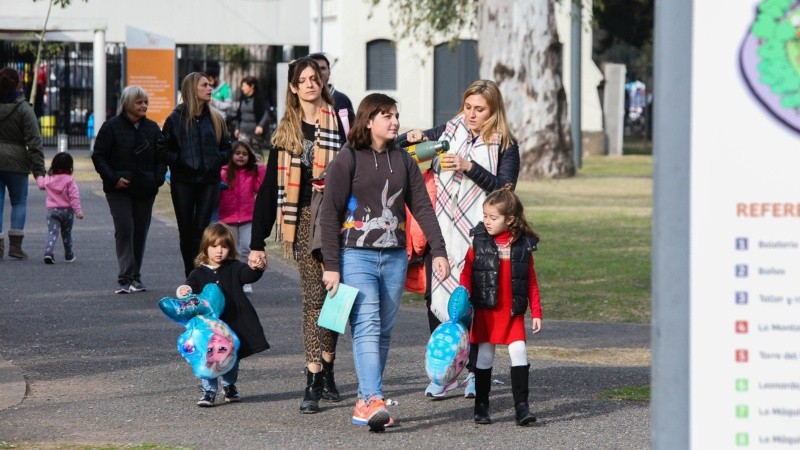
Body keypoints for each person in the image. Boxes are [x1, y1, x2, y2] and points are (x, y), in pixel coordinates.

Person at [319, 93, 450, 431]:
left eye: (395, 115)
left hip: (394, 257)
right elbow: (330, 215)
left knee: (385, 330)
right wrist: (331, 265)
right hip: (355, 254)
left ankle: (365, 400)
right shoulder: (346, 159)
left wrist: (439, 250)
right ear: (368, 121)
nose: (395, 122)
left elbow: (422, 207)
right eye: (387, 116)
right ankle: (373, 397)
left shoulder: (404, 161)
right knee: (367, 324)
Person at [404, 79, 520, 398]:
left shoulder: (505, 144)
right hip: (441, 230)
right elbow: (405, 147)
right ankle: (444, 371)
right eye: (467, 107)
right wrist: (411, 136)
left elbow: (505, 191)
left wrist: (469, 167)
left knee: (475, 303)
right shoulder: (448, 131)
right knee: (436, 297)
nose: (471, 114)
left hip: (481, 235)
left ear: (493, 111)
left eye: (479, 109)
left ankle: (472, 373)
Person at [248, 57, 346, 414]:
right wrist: (256, 242)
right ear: (292, 87)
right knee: (313, 297)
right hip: (302, 218)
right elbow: (267, 190)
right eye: (302, 80)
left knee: (336, 297)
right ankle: (312, 378)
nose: (309, 84)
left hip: (335, 218)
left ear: (322, 82)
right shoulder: (286, 132)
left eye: (314, 78)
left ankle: (330, 363)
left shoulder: (340, 122)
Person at [459, 185, 541, 426]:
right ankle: (481, 406)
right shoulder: (478, 242)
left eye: (493, 217)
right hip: (487, 312)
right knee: (484, 358)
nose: (487, 221)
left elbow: (531, 281)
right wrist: (463, 294)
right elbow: (466, 273)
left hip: (513, 313)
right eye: (485, 216)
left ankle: (522, 407)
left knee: (519, 353)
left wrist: (536, 311)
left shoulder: (523, 246)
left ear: (511, 219)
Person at [177, 222, 268, 407]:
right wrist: (184, 290)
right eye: (214, 246)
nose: (219, 251)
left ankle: (229, 385)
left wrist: (257, 267)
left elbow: (248, 275)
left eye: (224, 246)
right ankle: (209, 390)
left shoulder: (234, 267)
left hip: (231, 324)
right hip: (208, 329)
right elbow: (190, 289)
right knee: (207, 357)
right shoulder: (198, 273)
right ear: (205, 248)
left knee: (230, 359)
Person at [92, 85, 167, 294]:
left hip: (146, 188)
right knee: (125, 228)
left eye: (145, 102)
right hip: (118, 190)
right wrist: (114, 179)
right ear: (127, 104)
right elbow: (99, 156)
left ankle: (135, 276)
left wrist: (157, 179)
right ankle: (125, 278)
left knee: (140, 231)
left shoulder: (152, 128)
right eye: (139, 102)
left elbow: (162, 157)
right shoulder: (111, 127)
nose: (144, 106)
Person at [158, 72, 232, 277]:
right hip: (183, 181)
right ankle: (190, 274)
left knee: (202, 228)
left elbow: (227, 148)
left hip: (210, 180)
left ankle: (201, 273)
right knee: (186, 229)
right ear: (193, 89)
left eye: (209, 84)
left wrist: (215, 159)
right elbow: (163, 149)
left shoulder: (216, 118)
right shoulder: (176, 118)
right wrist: (182, 161)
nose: (210, 88)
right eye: (205, 85)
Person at [0, 67, 46, 259]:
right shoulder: (24, 109)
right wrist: (39, 171)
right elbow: (34, 142)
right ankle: (15, 247)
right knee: (19, 201)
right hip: (17, 163)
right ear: (18, 84)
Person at [219, 141, 265, 294]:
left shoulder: (252, 172)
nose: (241, 156)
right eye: (237, 153)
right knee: (232, 250)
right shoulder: (223, 172)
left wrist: (261, 168)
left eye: (244, 154)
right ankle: (231, 280)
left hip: (247, 217)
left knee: (246, 248)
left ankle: (245, 279)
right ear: (231, 155)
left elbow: (260, 188)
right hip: (227, 218)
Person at [37, 152, 84, 264]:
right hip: (67, 211)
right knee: (66, 233)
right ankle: (68, 255)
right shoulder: (69, 180)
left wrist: (38, 175)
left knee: (52, 233)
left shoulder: (49, 178)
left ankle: (48, 252)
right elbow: (74, 196)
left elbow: (40, 185)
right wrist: (78, 210)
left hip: (52, 211)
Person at [309, 53, 355, 134]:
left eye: (322, 68)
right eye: (315, 68)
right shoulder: (301, 99)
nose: (319, 72)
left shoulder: (342, 100)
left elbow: (350, 133)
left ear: (329, 72)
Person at [234, 76, 274, 157]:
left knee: (256, 154)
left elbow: (266, 113)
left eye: (244, 86)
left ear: (252, 86)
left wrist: (260, 126)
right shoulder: (242, 98)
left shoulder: (259, 98)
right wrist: (237, 128)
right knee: (243, 153)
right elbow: (239, 115)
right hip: (243, 132)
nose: (242, 88)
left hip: (256, 133)